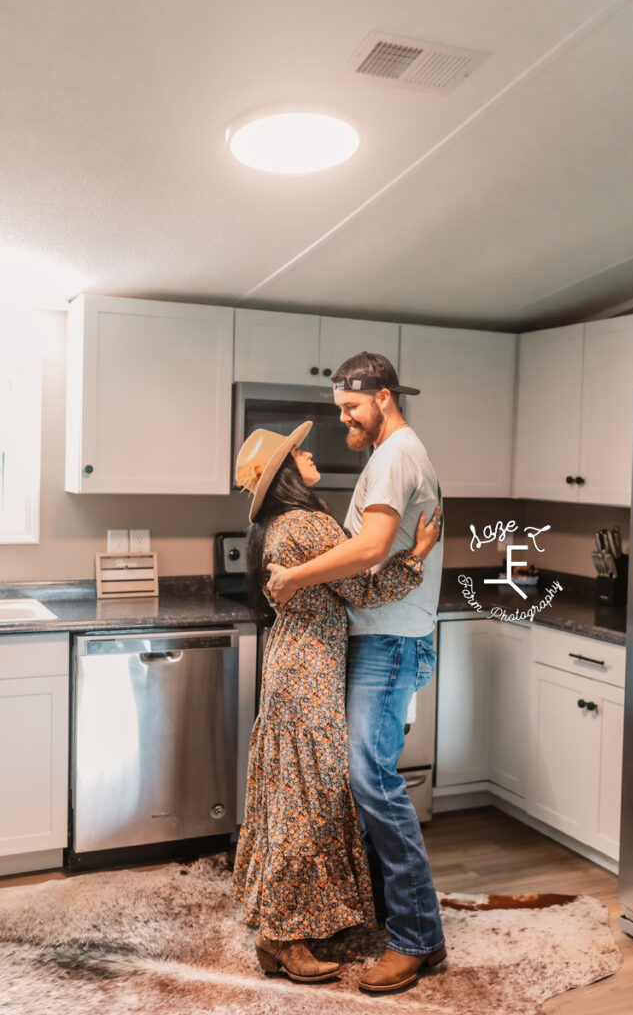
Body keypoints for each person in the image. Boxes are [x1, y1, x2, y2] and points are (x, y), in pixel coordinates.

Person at [230, 420, 441, 985]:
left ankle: (292, 923)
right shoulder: (308, 524)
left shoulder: (276, 528)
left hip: (290, 666)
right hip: (312, 672)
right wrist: (418, 551)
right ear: (285, 476)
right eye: (299, 453)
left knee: (291, 797)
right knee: (309, 803)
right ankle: (282, 936)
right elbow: (367, 586)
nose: (309, 454)